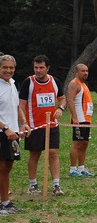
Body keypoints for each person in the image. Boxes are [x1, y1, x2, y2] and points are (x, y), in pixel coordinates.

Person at [19, 55, 66, 196]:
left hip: (52, 125)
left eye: (41, 68)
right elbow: (21, 106)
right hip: (34, 126)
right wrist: (24, 123)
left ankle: (56, 185)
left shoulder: (55, 81)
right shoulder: (28, 82)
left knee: (53, 153)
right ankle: (33, 184)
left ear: (48, 68)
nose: (38, 70)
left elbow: (62, 99)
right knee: (35, 154)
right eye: (36, 68)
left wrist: (60, 108)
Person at [0, 55, 31, 215]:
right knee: (1, 167)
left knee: (7, 167)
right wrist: (5, 129)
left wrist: (23, 123)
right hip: (3, 132)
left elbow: (17, 106)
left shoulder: (12, 83)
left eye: (11, 68)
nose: (8, 70)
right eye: (5, 67)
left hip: (13, 133)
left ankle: (5, 202)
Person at [67, 63, 95, 177]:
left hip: (87, 119)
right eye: (83, 71)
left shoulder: (84, 84)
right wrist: (75, 118)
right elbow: (70, 101)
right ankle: (73, 169)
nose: (85, 73)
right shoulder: (74, 83)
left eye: (87, 71)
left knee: (84, 143)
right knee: (77, 143)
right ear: (77, 72)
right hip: (79, 119)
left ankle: (81, 168)